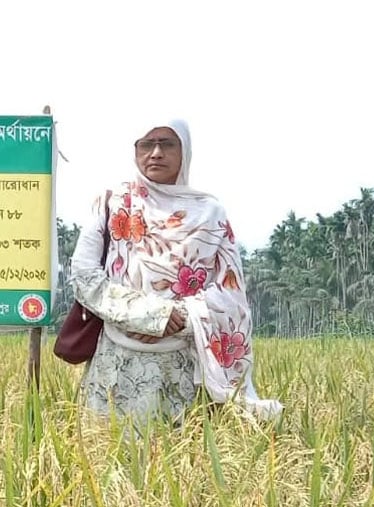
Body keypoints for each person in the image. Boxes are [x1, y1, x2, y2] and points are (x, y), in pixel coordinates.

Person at [67, 118, 282, 427]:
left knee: (185, 451)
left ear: (185, 152)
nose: (155, 153)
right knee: (107, 447)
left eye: (167, 144)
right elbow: (84, 275)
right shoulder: (113, 203)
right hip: (115, 366)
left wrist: (180, 317)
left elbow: (231, 294)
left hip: (184, 367)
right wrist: (149, 315)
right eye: (146, 144)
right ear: (135, 151)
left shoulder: (210, 213)